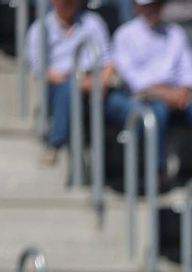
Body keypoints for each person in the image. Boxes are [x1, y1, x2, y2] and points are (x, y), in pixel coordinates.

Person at [105, 0, 192, 164]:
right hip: (142, 97)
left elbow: (189, 70)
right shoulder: (124, 34)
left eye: (156, 5)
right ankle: (157, 170)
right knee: (157, 112)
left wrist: (183, 90)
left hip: (177, 94)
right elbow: (133, 79)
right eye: (148, 6)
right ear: (137, 8)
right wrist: (164, 94)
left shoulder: (175, 33)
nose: (153, 10)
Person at [24, 0, 116, 164]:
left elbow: (108, 63)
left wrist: (97, 83)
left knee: (127, 107)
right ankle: (55, 142)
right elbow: (41, 71)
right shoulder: (40, 29)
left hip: (94, 85)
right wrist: (79, 82)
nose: (69, 3)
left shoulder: (93, 22)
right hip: (59, 88)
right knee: (67, 89)